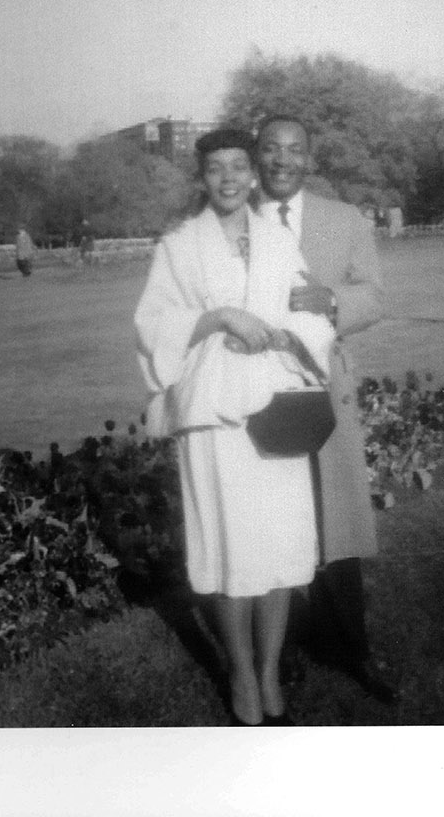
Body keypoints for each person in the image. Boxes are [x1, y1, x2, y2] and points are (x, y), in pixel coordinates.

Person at [135, 128, 335, 726]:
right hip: (213, 415)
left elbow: (314, 311)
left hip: (276, 407)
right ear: (202, 178)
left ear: (252, 176)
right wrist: (220, 315)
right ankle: (241, 675)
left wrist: (284, 334)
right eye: (215, 167)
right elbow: (152, 325)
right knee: (229, 544)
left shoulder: (279, 240)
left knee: (278, 547)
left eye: (239, 166)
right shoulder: (177, 247)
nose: (228, 177)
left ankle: (271, 670)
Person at [254, 115, 396, 705]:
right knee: (274, 522)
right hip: (258, 393)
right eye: (271, 149)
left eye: (295, 149)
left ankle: (353, 646)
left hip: (325, 391)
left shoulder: (343, 219)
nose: (282, 160)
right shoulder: (233, 218)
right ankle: (280, 649)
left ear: (310, 159)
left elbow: (376, 295)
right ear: (257, 156)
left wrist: (332, 298)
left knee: (336, 523)